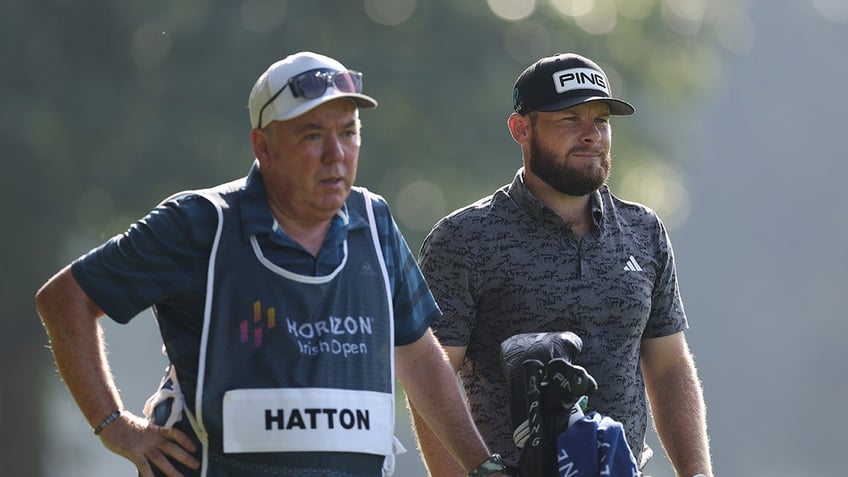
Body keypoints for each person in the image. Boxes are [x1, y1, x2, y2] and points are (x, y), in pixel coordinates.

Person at [35, 51, 508, 477]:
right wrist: (116, 428)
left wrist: (479, 466)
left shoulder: (374, 221)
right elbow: (66, 299)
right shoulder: (200, 223)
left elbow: (420, 358)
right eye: (312, 135)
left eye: (348, 133)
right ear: (263, 146)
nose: (335, 155)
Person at [411, 53, 713, 477]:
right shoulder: (465, 238)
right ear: (522, 129)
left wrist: (697, 473)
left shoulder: (644, 231)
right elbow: (430, 380)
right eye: (570, 119)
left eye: (601, 120)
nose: (592, 135)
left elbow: (668, 366)